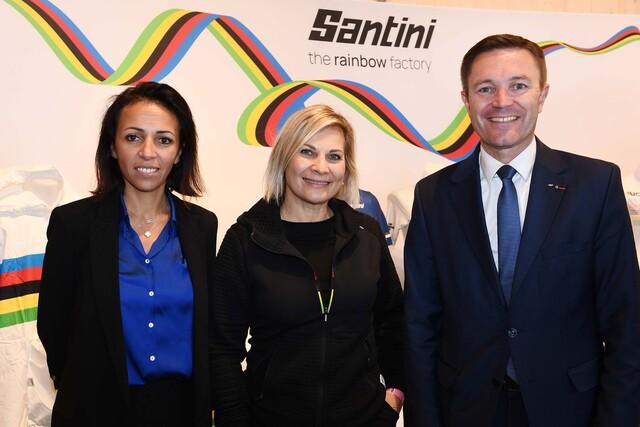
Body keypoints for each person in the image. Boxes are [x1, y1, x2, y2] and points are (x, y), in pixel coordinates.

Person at [404, 34, 640, 427]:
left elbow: (626, 324)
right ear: (466, 99)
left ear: (542, 95)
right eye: (485, 88)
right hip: (466, 409)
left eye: (518, 85)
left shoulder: (595, 186)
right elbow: (419, 326)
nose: (501, 101)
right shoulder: (433, 196)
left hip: (571, 409)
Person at [211, 104, 405, 427]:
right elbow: (221, 349)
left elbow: (393, 323)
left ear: (346, 167)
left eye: (334, 156)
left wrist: (394, 399)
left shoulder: (366, 234)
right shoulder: (246, 239)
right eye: (307, 152)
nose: (321, 167)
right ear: (284, 158)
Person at [37, 82, 217, 427]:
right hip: (95, 408)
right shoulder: (74, 224)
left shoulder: (202, 227)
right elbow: (53, 324)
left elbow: (208, 329)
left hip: (180, 410)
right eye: (133, 137)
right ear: (112, 147)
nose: (147, 152)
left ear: (180, 152)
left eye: (164, 140)